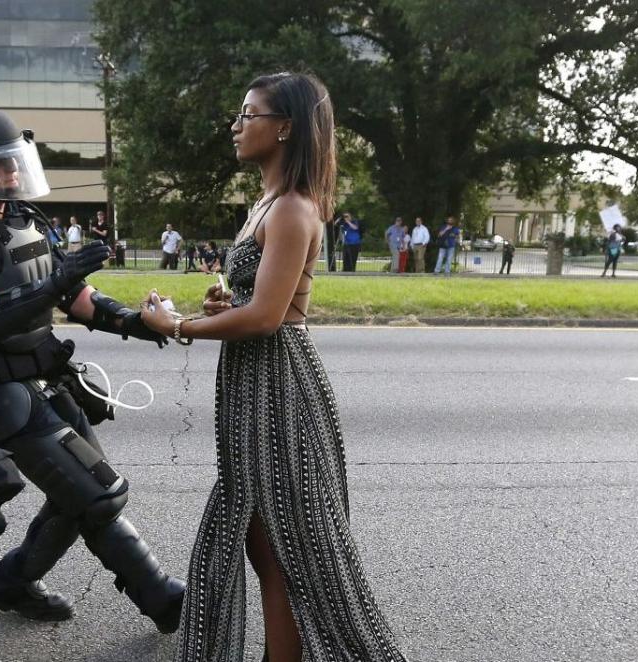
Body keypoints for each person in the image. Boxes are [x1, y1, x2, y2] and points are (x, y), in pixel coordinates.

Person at [141, 71, 407, 662]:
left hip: (279, 387)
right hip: (254, 383)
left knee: (288, 545)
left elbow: (267, 318)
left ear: (284, 126)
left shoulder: (290, 208)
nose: (237, 126)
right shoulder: (268, 201)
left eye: (249, 114)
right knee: (266, 545)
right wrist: (222, 304)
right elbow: (257, 303)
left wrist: (179, 326)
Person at [0, 105, 186, 631]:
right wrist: (54, 286)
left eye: (16, 161)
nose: (12, 173)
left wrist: (135, 322)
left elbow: (75, 294)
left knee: (77, 495)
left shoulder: (24, 219)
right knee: (99, 493)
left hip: (48, 377)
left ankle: (12, 583)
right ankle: (165, 601)